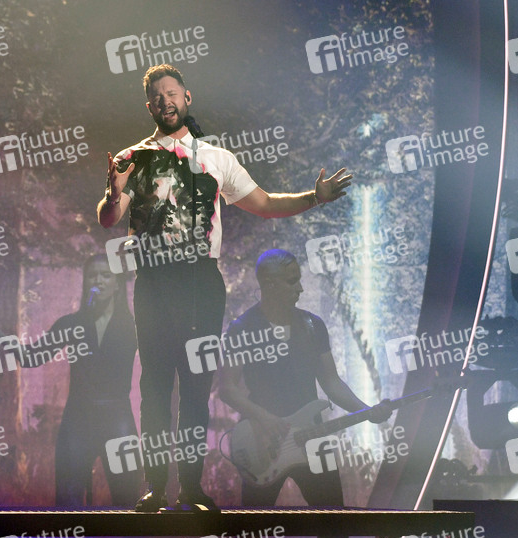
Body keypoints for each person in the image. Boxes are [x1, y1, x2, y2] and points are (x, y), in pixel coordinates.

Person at [97, 64, 355, 512]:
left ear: (187, 98)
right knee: (155, 385)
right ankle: (155, 488)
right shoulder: (131, 158)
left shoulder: (216, 158)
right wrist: (113, 190)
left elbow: (265, 204)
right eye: (157, 96)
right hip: (154, 280)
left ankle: (191, 488)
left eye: (172, 93)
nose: (166, 101)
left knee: (196, 385)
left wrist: (315, 197)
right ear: (149, 106)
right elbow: (108, 218)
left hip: (201, 281)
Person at [219, 249, 392, 538]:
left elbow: (331, 382)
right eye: (292, 281)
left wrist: (367, 411)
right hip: (263, 441)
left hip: (313, 438)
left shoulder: (313, 326)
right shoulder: (242, 328)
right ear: (269, 284)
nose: (300, 288)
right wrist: (264, 418)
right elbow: (227, 388)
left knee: (335, 524)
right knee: (248, 535)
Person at [0, 254, 140, 507]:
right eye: (92, 276)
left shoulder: (133, 326)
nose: (98, 281)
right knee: (69, 498)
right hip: (78, 419)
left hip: (118, 418)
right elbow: (31, 357)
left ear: (117, 284)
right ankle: (73, 535)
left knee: (127, 498)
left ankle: (128, 535)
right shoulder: (71, 324)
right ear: (85, 283)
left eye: (106, 275)